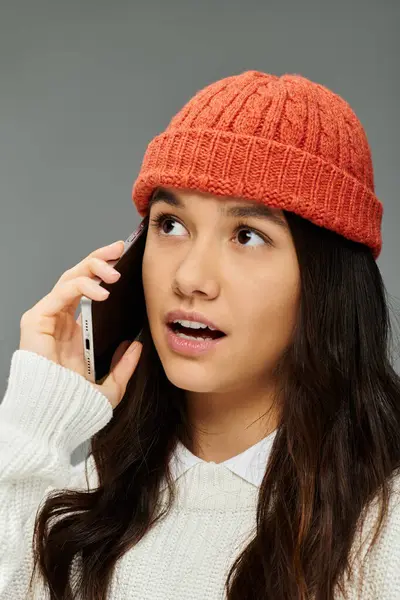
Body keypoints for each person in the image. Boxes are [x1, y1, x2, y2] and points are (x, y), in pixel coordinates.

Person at [1, 70, 400, 600]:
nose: (189, 278)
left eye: (248, 235)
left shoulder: (383, 527)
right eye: (170, 225)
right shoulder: (77, 503)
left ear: (326, 281)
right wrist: (34, 424)